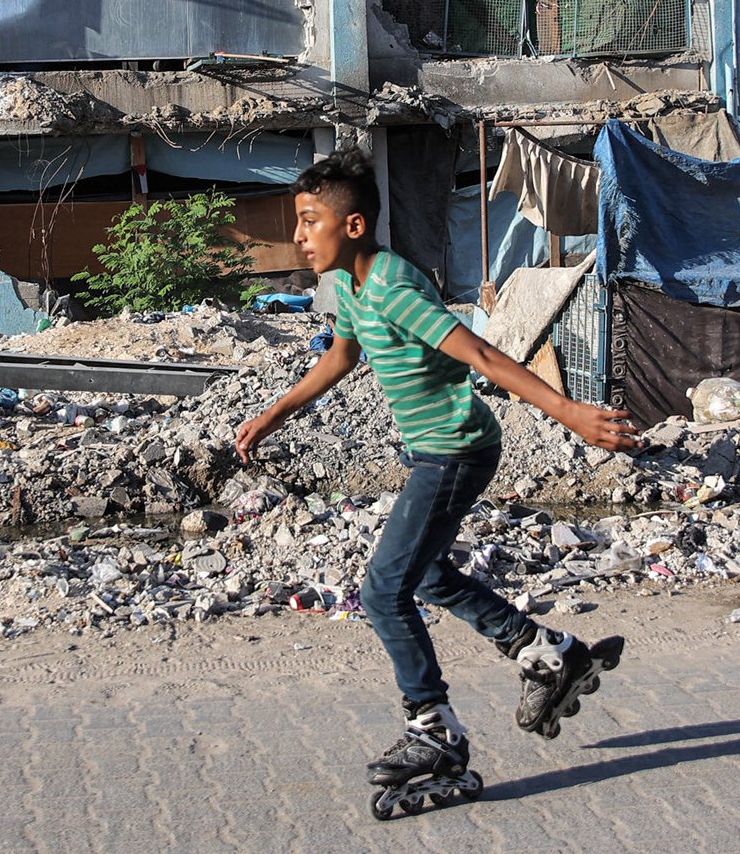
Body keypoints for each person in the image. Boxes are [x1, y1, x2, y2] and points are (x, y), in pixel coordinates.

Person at [234, 148, 641, 796]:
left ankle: (434, 728)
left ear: (353, 226)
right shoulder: (349, 284)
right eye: (299, 221)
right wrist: (274, 413)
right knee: (423, 574)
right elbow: (340, 355)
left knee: (382, 590)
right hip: (434, 449)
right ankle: (545, 651)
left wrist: (570, 412)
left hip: (455, 445)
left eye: (310, 220)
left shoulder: (393, 287)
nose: (298, 235)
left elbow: (479, 351)